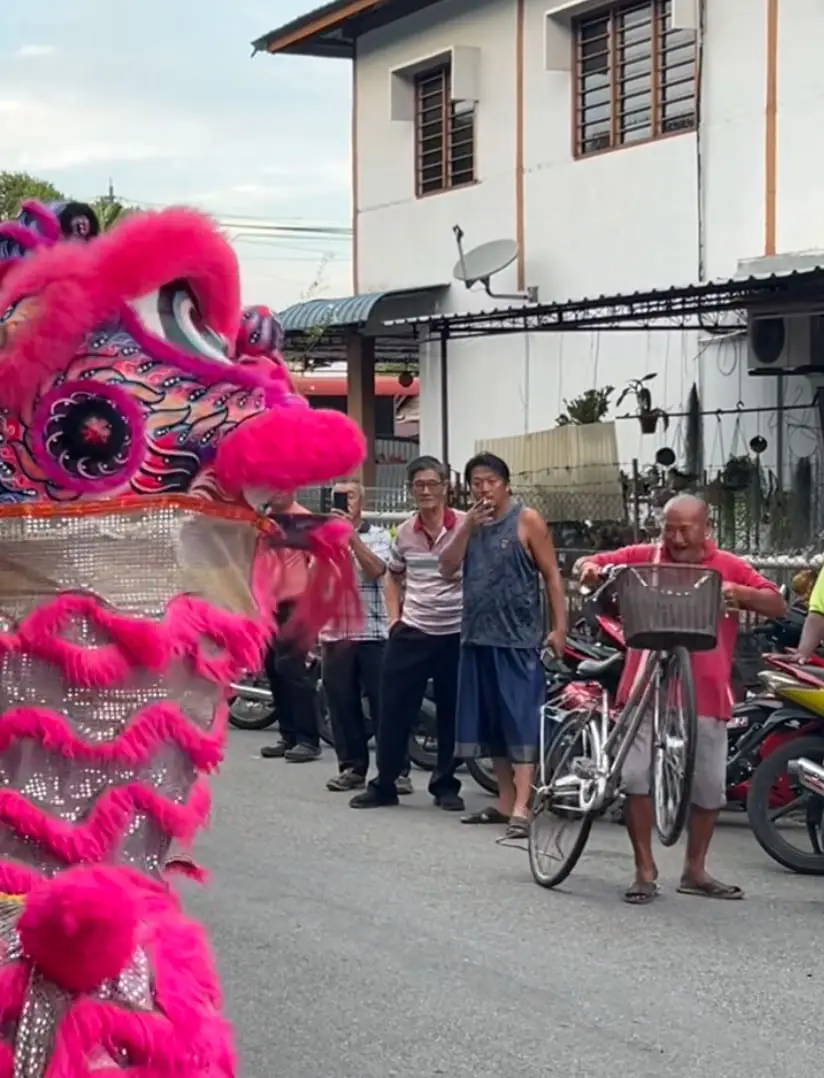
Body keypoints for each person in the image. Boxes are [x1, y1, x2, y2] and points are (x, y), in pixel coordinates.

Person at [575, 494, 786, 904]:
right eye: (669, 527)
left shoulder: (727, 564)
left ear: (706, 528)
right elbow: (596, 563)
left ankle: (695, 869)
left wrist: (738, 593)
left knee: (708, 787)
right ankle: (644, 869)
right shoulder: (646, 556)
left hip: (704, 695)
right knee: (635, 778)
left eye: (685, 528)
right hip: (644, 689)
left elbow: (775, 603)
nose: (675, 537)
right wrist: (591, 569)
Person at [440, 452, 567, 839]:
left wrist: (559, 628)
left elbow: (552, 576)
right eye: (477, 482)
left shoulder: (526, 520)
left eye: (490, 481)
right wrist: (466, 529)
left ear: (506, 484)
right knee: (492, 722)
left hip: (518, 640)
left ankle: (522, 806)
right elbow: (446, 567)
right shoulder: (468, 524)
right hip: (477, 636)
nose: (483, 489)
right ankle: (503, 798)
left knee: (520, 721)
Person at [350, 455, 465, 811]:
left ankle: (445, 784)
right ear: (411, 490)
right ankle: (385, 782)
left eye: (432, 484)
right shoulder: (404, 531)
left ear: (445, 487)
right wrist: (394, 618)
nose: (426, 491)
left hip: (455, 632)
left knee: (452, 711)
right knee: (394, 708)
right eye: (419, 485)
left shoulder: (465, 525)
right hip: (412, 630)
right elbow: (392, 573)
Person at [321, 480, 410, 792]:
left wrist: (353, 541)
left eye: (352, 496)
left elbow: (377, 570)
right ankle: (352, 767)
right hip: (334, 631)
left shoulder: (380, 535)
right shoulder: (321, 537)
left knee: (386, 703)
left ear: (362, 501)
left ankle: (397, 770)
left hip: (373, 631)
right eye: (339, 497)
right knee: (341, 705)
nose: (346, 502)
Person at [259, 491, 323, 762]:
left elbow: (317, 562)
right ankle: (288, 735)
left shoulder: (303, 521)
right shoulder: (264, 519)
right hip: (269, 603)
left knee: (293, 669)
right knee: (273, 668)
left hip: (296, 603)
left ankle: (308, 739)